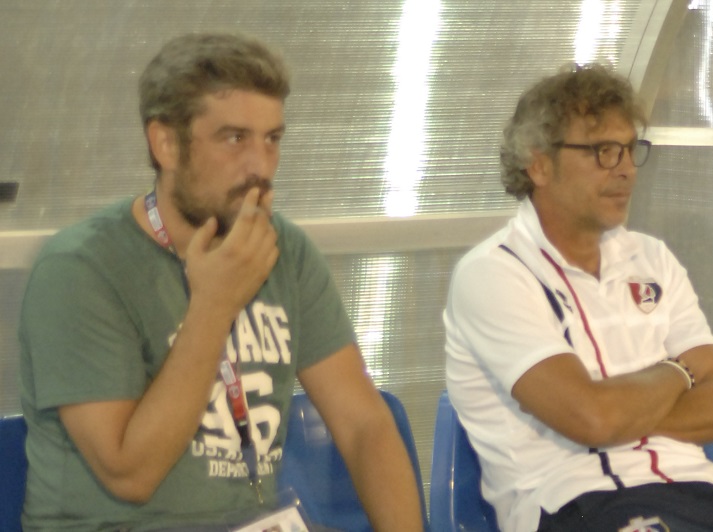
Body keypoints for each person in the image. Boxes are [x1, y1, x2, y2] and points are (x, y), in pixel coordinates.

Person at [18, 33, 424, 531]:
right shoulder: (80, 268)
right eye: (235, 139)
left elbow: (363, 425)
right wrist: (213, 305)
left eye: (272, 139)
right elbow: (130, 475)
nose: (260, 166)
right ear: (166, 144)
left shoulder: (285, 250)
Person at [443, 64, 713, 532]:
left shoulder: (653, 258)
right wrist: (679, 372)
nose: (626, 169)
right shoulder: (493, 273)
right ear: (539, 164)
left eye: (631, 149)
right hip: (581, 503)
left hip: (707, 492)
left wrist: (618, 412)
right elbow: (591, 419)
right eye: (603, 151)